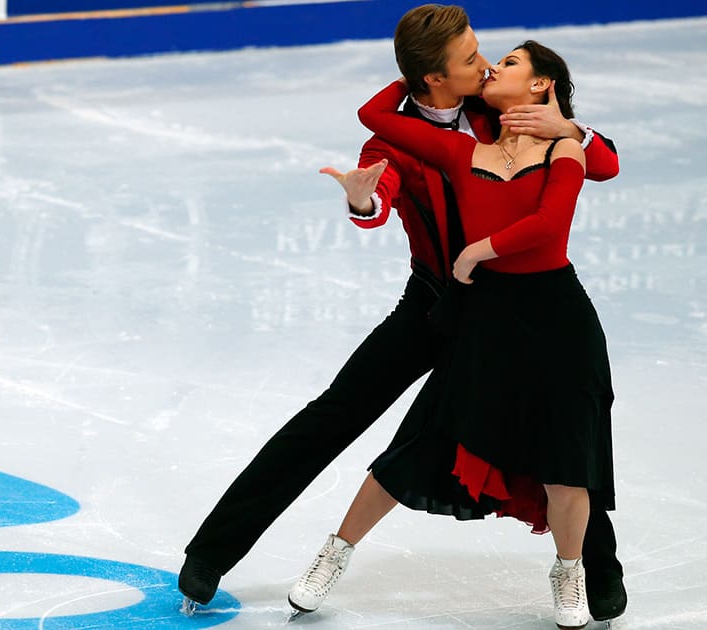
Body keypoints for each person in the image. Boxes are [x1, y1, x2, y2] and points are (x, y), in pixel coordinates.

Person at [178, 4, 624, 622]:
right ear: (434, 79)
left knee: (559, 428)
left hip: (509, 305)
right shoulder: (390, 137)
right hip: (435, 302)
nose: (488, 62)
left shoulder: (504, 107)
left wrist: (571, 127)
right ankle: (212, 551)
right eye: (470, 59)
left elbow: (600, 164)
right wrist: (363, 201)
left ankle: (595, 570)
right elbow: (378, 192)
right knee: (335, 413)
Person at [290, 39, 616, 629]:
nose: (493, 65)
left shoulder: (566, 146)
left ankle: (569, 571)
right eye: (484, 58)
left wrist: (477, 252)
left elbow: (550, 226)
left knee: (568, 459)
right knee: (422, 439)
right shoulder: (460, 151)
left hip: (558, 319)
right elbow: (375, 117)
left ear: (540, 86)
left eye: (511, 63)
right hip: (484, 320)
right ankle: (334, 554)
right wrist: (417, 70)